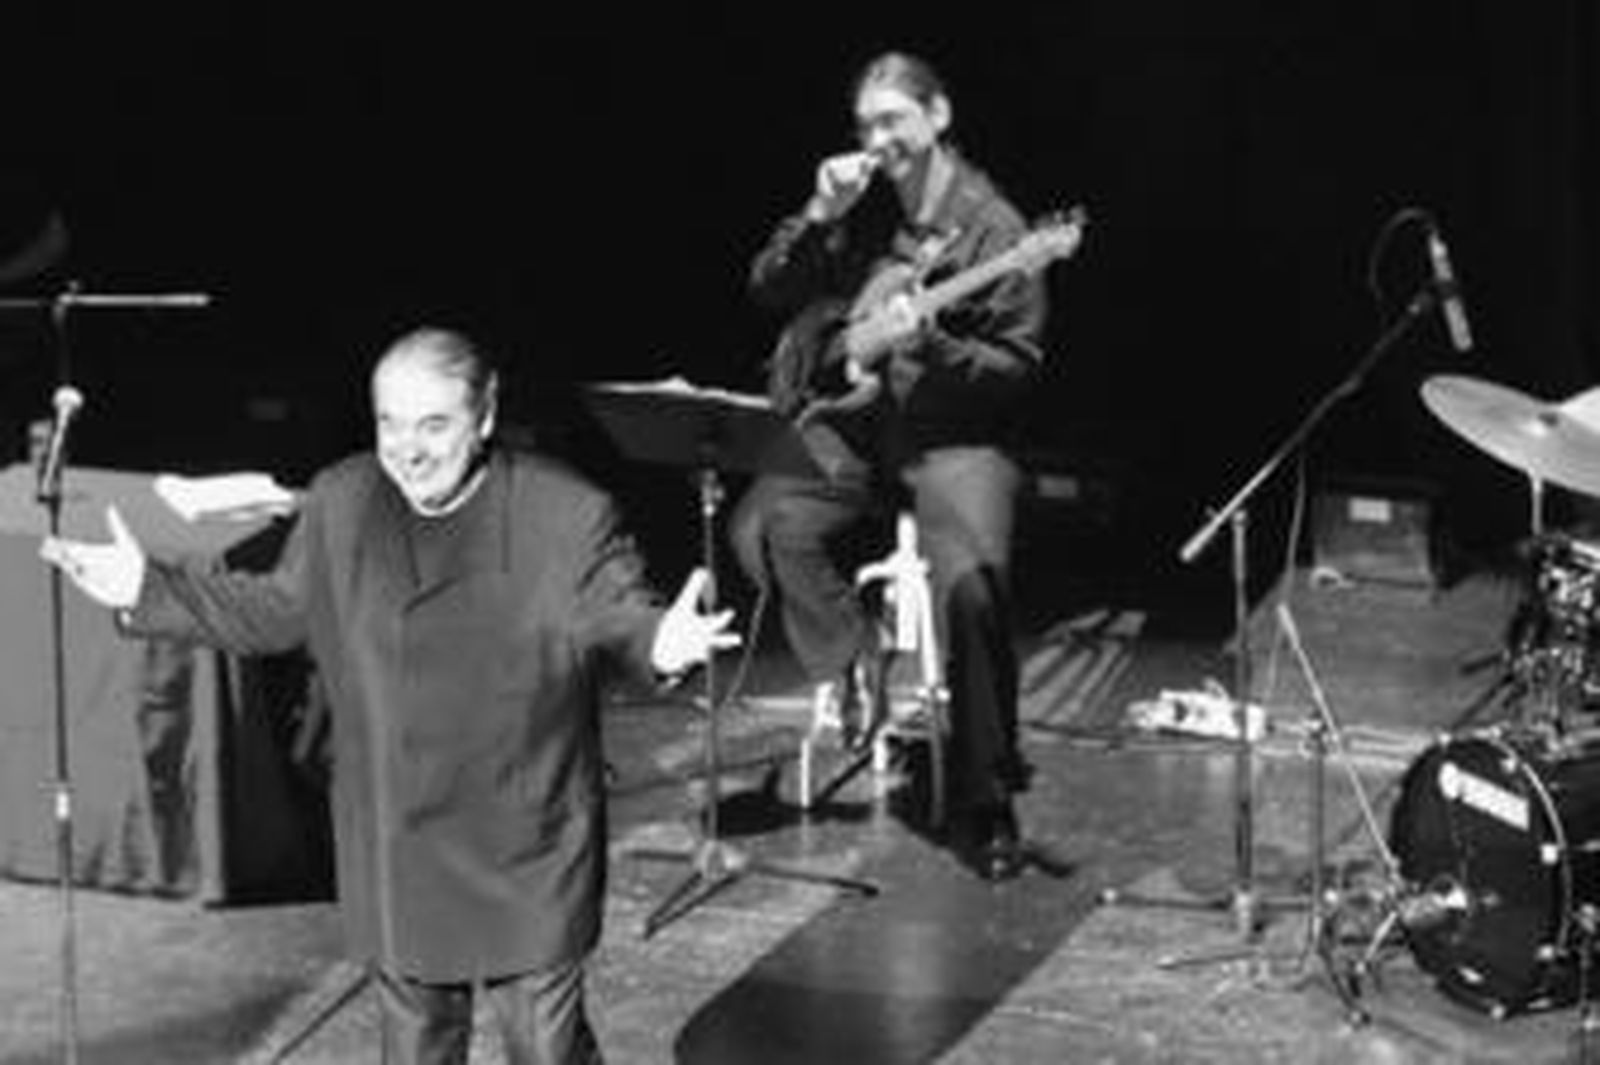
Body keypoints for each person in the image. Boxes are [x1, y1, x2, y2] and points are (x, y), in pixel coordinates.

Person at [41, 325, 738, 1064]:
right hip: (401, 847)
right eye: (390, 424)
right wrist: (146, 590)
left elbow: (619, 610)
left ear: (486, 415)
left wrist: (661, 642)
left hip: (525, 849)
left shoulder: (563, 513)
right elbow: (275, 609)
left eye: (434, 424)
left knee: (547, 1050)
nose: (407, 449)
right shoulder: (344, 500)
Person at [729, 51, 1051, 883]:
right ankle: (854, 656)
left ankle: (986, 802)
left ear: (937, 116)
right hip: (860, 425)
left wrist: (932, 340)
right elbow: (769, 288)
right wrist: (818, 209)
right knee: (760, 526)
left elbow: (1017, 365)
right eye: (866, 125)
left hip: (955, 436)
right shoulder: (860, 210)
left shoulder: (996, 226)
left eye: (893, 121)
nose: (878, 141)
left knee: (975, 588)